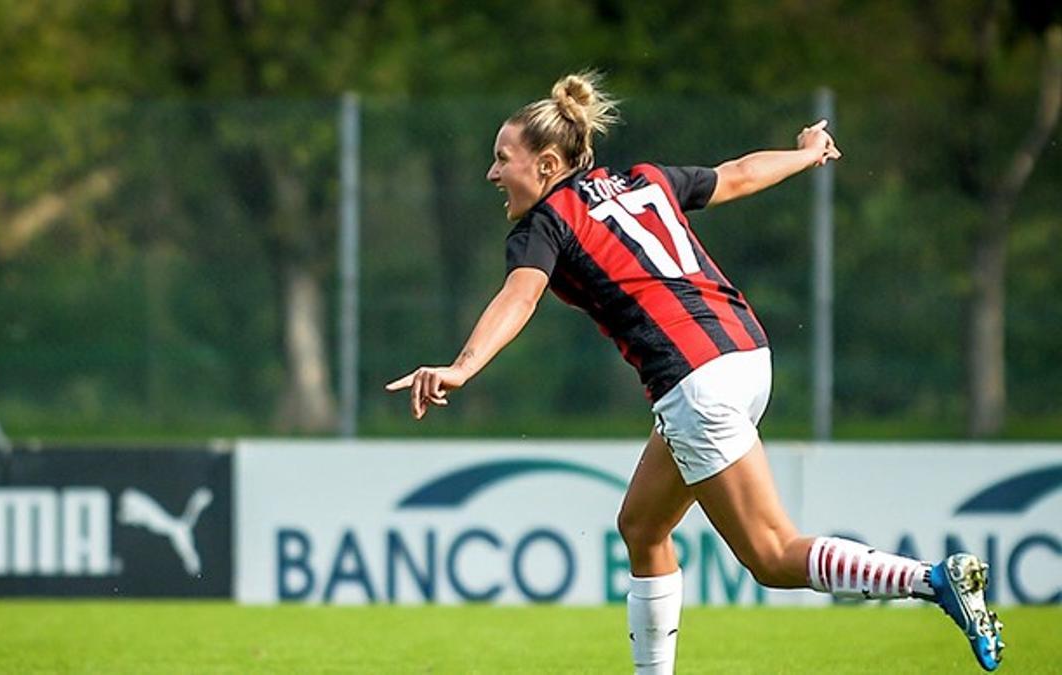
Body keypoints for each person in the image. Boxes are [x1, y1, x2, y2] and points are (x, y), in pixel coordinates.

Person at [385, 71, 1005, 673]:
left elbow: (518, 299)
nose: (493, 173)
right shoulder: (644, 180)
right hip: (746, 353)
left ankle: (930, 579)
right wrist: (806, 154)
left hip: (695, 381)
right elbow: (737, 175)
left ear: (547, 165)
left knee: (770, 555)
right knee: (642, 526)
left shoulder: (546, 223)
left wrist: (461, 367)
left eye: (503, 159)